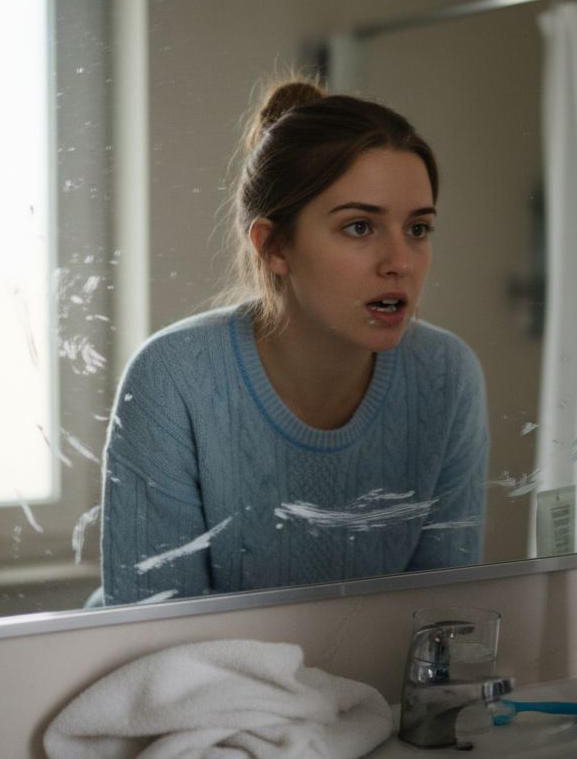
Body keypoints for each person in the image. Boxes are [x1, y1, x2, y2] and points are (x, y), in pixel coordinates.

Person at [100, 81, 488, 605]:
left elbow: (444, 614)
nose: (400, 261)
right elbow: (156, 637)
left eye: (418, 228)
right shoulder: (174, 376)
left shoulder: (446, 375)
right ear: (274, 245)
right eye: (359, 227)